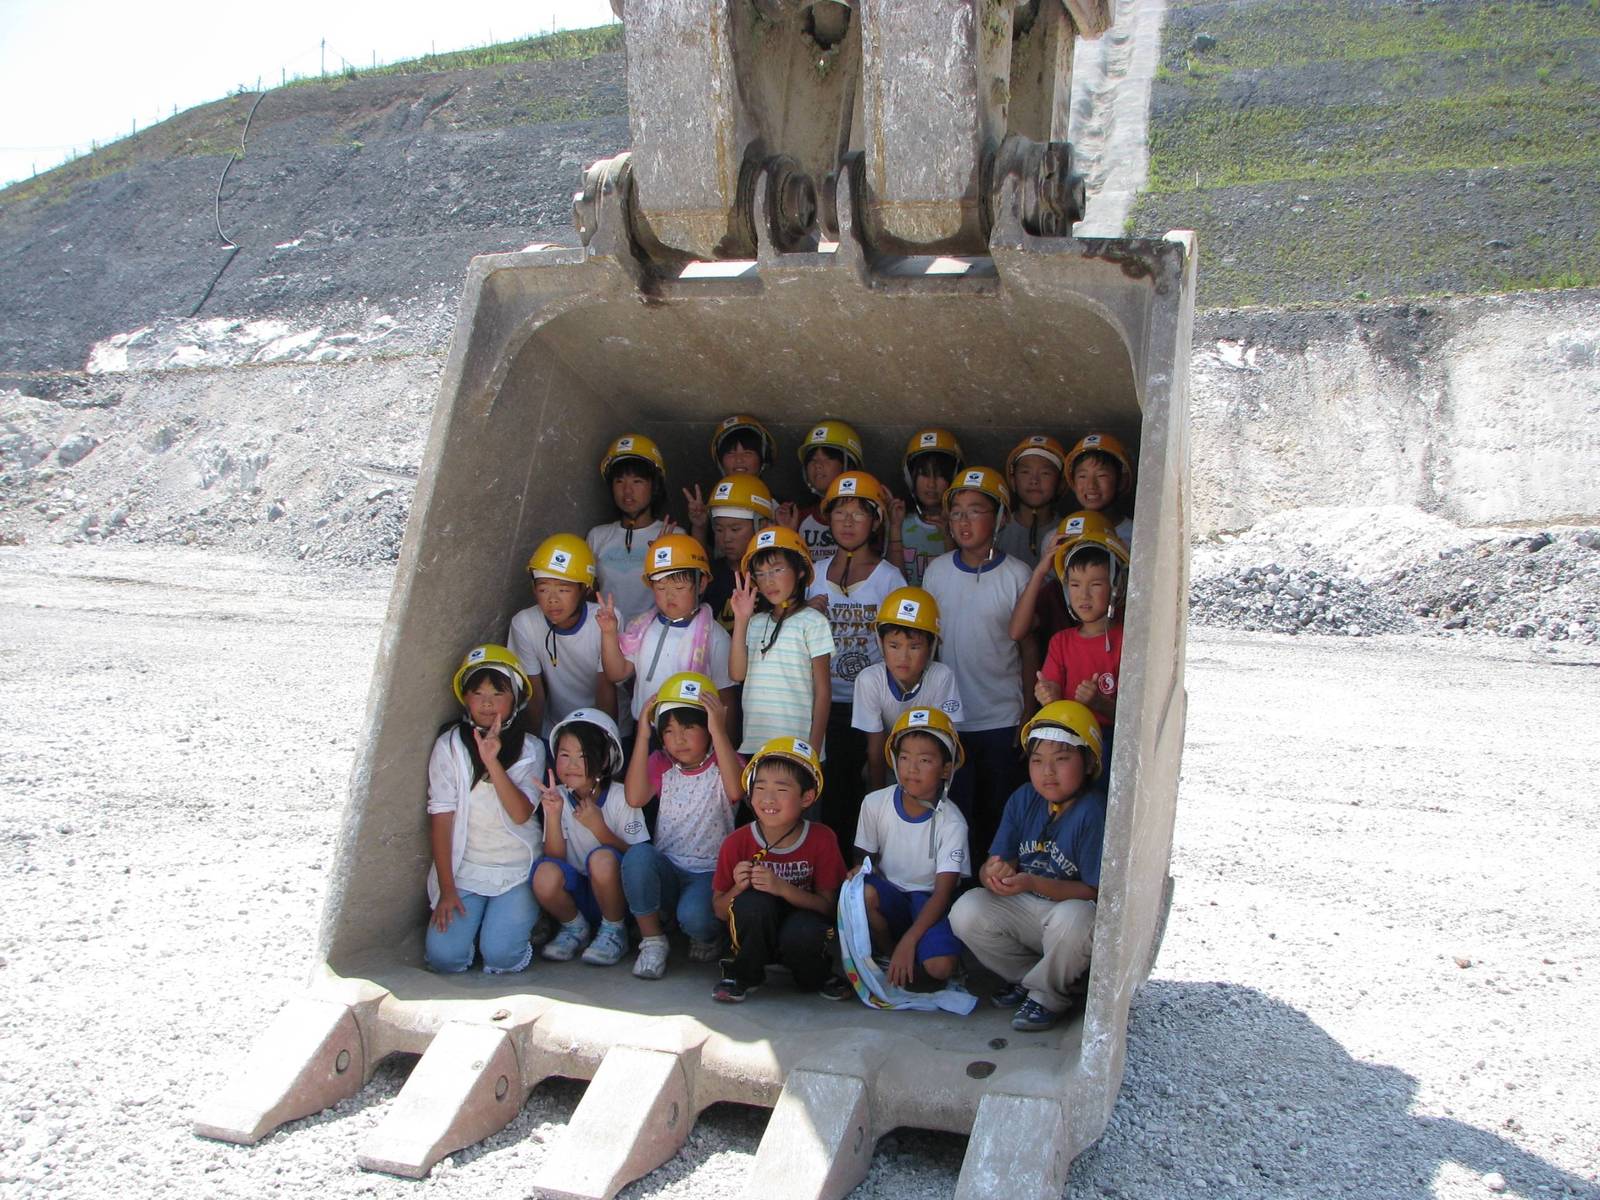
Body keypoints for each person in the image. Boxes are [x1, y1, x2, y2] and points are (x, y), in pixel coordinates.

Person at [949, 701, 1106, 1032]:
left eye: (1061, 760)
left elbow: (1094, 891)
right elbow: (996, 862)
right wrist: (991, 874)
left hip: (1067, 916)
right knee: (966, 909)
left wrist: (1031, 883)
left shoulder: (1092, 811)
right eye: (1037, 761)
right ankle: (1037, 981)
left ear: (1089, 762)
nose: (1047, 772)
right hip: (1031, 909)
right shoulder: (1023, 798)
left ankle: (1049, 997)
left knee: (1076, 918)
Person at [920, 466, 1034, 861]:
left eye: (976, 510)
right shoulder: (936, 572)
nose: (964, 521)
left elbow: (1028, 649)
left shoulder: (1018, 575)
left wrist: (1028, 712)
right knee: (954, 819)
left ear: (999, 516)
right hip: (951, 721)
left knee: (997, 817)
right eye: (957, 512)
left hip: (1002, 718)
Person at [424, 645, 545, 975]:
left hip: (517, 869)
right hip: (466, 869)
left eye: (497, 693)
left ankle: (520, 921)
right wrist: (447, 890)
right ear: (465, 700)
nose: (487, 703)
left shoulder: (531, 748)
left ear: (516, 698)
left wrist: (492, 762)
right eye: (477, 694)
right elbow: (442, 818)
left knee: (501, 956)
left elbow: (520, 814)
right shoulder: (449, 745)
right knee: (444, 958)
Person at [621, 674, 745, 979]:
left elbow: (735, 792)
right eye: (669, 731)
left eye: (690, 727)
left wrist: (719, 731)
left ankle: (705, 934)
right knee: (637, 857)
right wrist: (641, 736)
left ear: (708, 726)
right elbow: (635, 797)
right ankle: (653, 941)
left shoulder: (726, 761)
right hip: (668, 867)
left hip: (708, 873)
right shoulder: (661, 763)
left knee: (695, 918)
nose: (679, 739)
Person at [807, 470, 906, 841]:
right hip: (824, 702)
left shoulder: (889, 578)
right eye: (839, 513)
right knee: (832, 795)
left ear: (875, 520)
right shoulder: (812, 575)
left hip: (874, 705)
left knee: (873, 792)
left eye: (858, 513)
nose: (847, 522)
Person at [710, 737, 846, 1002]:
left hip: (802, 931)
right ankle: (744, 974)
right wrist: (739, 886)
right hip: (757, 932)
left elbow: (829, 908)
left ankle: (816, 975)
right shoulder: (736, 842)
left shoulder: (822, 838)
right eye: (760, 788)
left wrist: (782, 888)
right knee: (752, 904)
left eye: (782, 789)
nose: (768, 798)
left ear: (807, 797)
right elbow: (718, 910)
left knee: (804, 930)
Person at [850, 707, 970, 988]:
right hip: (890, 896)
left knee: (940, 968)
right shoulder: (874, 804)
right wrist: (859, 870)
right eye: (904, 758)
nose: (911, 768)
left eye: (925, 760)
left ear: (946, 768)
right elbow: (866, 861)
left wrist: (910, 939)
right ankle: (892, 956)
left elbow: (942, 893)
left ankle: (911, 950)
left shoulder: (952, 822)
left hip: (928, 902)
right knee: (863, 892)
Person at [530, 709, 647, 965]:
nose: (571, 765)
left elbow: (639, 858)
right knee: (544, 872)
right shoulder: (557, 796)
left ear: (605, 759)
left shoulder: (621, 797)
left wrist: (599, 828)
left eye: (582, 756)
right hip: (578, 895)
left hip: (617, 897)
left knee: (602, 858)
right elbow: (555, 860)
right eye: (564, 755)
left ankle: (614, 931)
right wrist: (553, 813)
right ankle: (574, 928)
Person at [598, 533, 736, 727]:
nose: (670, 595)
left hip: (692, 737)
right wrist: (608, 633)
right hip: (646, 731)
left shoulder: (715, 637)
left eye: (679, 587)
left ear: (701, 583)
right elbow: (617, 673)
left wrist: (724, 750)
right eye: (661, 588)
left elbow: (726, 698)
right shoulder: (641, 628)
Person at [1032, 513, 1129, 772]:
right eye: (1075, 585)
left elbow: (1134, 719)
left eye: (1095, 584)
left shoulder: (1128, 641)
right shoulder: (1060, 642)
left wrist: (1100, 704)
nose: (1083, 595)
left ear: (1116, 587)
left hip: (1110, 743)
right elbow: (1053, 695)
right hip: (1066, 742)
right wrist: (1047, 696)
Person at [730, 525, 834, 754]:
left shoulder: (813, 622)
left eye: (777, 570)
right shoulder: (754, 622)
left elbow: (823, 691)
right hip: (756, 744)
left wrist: (814, 749)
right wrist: (741, 619)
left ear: (800, 571)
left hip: (799, 746)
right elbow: (737, 674)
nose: (769, 581)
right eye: (761, 573)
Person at [851, 587, 964, 790]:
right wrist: (880, 799)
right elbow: (875, 751)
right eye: (894, 646)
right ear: (881, 643)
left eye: (914, 647)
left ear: (931, 647)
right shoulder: (869, 680)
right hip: (885, 769)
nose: (903, 657)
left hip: (929, 773)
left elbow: (946, 746)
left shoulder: (942, 676)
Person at [508, 533, 616, 737]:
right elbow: (534, 694)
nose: (552, 599)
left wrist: (603, 743)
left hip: (606, 726)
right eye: (543, 589)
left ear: (585, 588)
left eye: (564, 589)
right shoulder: (525, 623)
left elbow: (606, 688)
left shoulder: (606, 620)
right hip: (555, 727)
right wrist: (533, 746)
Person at [587, 434, 671, 625]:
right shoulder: (597, 536)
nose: (627, 491)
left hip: (653, 639)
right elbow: (586, 594)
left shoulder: (673, 535)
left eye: (637, 481)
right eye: (619, 481)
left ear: (655, 486)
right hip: (605, 636)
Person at [775, 418, 863, 564]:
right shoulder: (798, 516)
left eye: (828, 459)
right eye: (813, 460)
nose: (818, 466)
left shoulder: (866, 515)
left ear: (849, 465)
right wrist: (788, 533)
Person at [697, 474, 776, 632]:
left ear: (762, 526)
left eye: (735, 529)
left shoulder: (776, 578)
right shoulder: (710, 576)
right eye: (719, 529)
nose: (726, 538)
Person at [687, 414, 778, 549]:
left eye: (747, 452)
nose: (739, 459)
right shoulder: (711, 507)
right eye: (730, 453)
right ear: (720, 461)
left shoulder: (780, 508)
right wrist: (699, 526)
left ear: (762, 458)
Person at [896, 427, 962, 587]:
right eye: (924, 474)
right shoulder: (900, 520)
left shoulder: (962, 523)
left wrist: (949, 536)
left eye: (940, 475)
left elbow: (958, 579)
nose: (931, 484)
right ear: (910, 477)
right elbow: (894, 581)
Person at [995, 434, 1069, 569]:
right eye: (1025, 472)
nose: (1034, 480)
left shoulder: (1067, 533)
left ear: (1061, 484)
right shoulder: (996, 530)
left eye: (1045, 473)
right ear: (1012, 480)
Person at [1066, 432, 1136, 548]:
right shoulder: (1061, 534)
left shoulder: (1136, 535)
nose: (1091, 485)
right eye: (1082, 476)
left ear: (1121, 481)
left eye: (1102, 475)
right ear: (1073, 482)